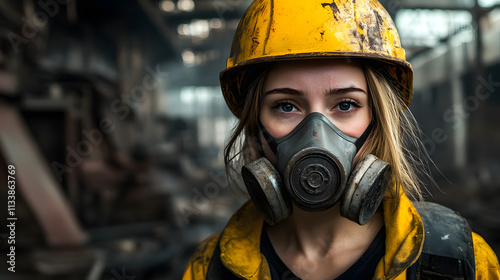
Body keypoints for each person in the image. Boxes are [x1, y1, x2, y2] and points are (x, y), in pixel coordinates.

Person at [182, 0, 500, 279]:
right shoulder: (211, 268)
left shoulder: (459, 261)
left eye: (346, 105)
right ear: (255, 125)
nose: (316, 134)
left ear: (378, 120)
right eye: (286, 106)